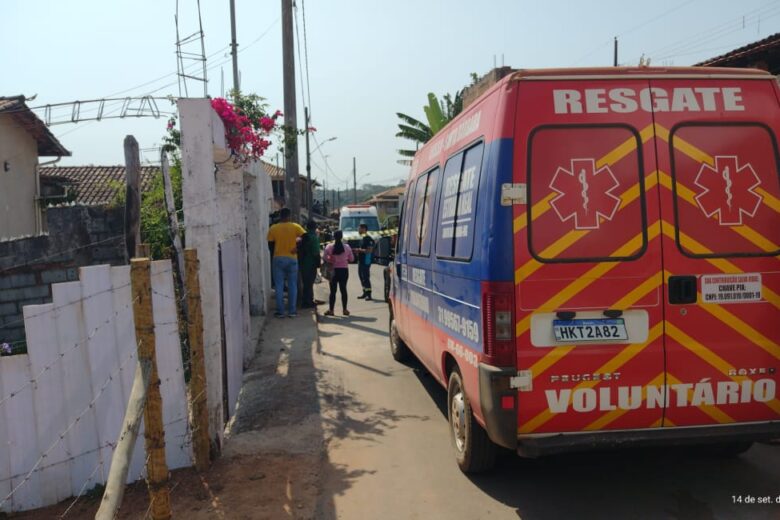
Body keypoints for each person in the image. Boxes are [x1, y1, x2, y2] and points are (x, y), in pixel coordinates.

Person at [267, 207, 305, 318]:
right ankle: (292, 311)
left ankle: (280, 312)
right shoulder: (295, 226)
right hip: (292, 258)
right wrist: (297, 247)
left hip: (278, 258)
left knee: (279, 285)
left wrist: (274, 255)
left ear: (280, 216)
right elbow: (306, 237)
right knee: (292, 285)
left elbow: (270, 245)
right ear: (289, 216)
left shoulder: (273, 228)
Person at [323, 230, 354, 316]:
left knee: (333, 291)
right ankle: (345, 310)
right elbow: (352, 259)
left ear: (333, 237)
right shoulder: (347, 247)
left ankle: (331, 310)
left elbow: (325, 258)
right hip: (344, 270)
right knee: (343, 290)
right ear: (342, 237)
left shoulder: (329, 247)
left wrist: (331, 260)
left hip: (333, 270)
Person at [298, 219, 322, 308]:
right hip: (311, 263)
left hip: (303, 263)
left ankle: (306, 301)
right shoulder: (313, 237)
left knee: (306, 283)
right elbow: (316, 252)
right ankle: (308, 302)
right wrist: (319, 263)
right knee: (309, 283)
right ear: (315, 227)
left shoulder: (303, 236)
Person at [354, 223, 376, 300]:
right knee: (361, 277)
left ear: (364, 229)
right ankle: (364, 292)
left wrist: (359, 250)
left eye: (359, 228)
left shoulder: (368, 239)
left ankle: (369, 294)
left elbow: (369, 250)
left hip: (366, 261)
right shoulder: (361, 238)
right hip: (360, 260)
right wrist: (358, 251)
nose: (358, 230)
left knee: (365, 277)